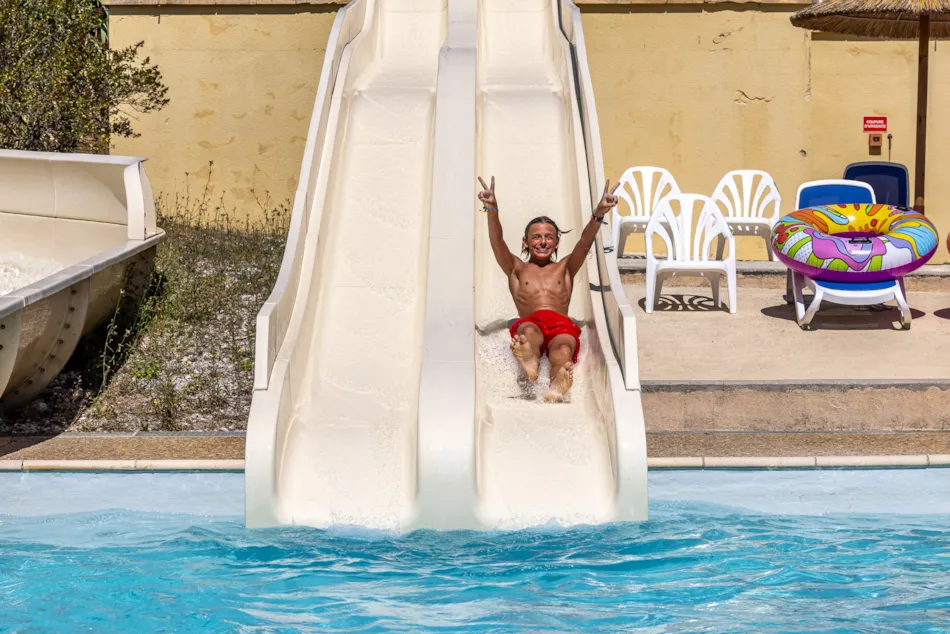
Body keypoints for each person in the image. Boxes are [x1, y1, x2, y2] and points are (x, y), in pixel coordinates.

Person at [477, 176, 619, 402]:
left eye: (548, 237)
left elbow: (584, 242)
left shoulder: (565, 268)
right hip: (531, 322)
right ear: (525, 242)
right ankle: (530, 361)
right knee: (529, 334)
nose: (542, 242)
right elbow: (497, 242)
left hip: (562, 325)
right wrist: (492, 209)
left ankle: (557, 385)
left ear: (556, 243)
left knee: (563, 351)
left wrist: (599, 213)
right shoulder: (516, 268)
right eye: (536, 237)